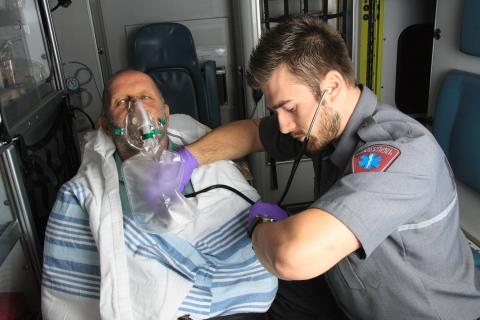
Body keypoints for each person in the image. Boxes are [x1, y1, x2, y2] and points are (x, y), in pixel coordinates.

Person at [177, 15, 480, 319]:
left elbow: (290, 256)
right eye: (276, 110)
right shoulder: (321, 125)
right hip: (348, 294)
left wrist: (258, 228)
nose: (282, 125)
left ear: (332, 87)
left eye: (290, 107)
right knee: (245, 295)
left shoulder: (404, 154)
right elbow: (253, 132)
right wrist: (186, 160)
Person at [41, 70, 277, 320]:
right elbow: (71, 298)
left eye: (146, 97)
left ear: (165, 114)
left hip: (240, 293)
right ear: (106, 127)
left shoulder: (203, 154)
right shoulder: (83, 194)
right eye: (122, 102)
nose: (137, 110)